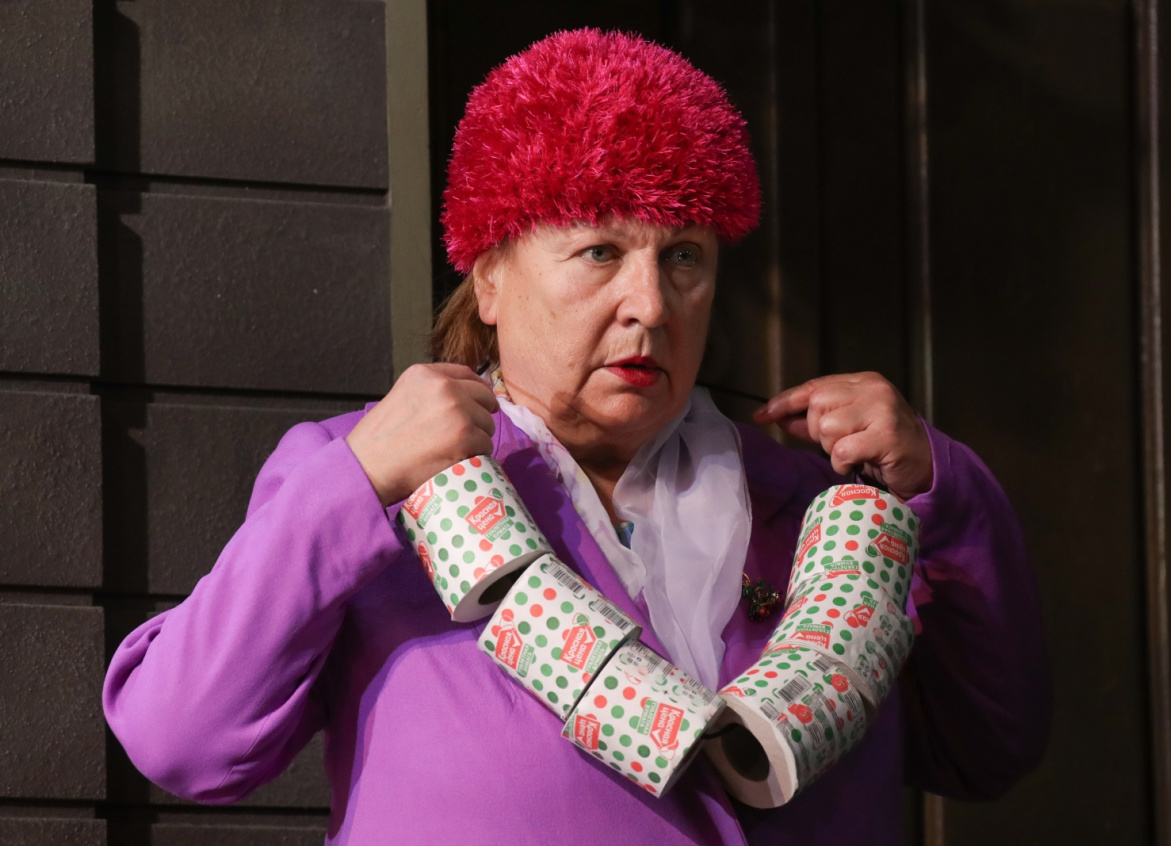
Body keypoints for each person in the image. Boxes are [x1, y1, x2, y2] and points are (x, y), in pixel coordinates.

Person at [103, 28, 1050, 845]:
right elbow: (182, 741)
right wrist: (349, 488)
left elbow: (988, 748)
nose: (650, 306)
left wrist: (948, 493)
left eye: (684, 257)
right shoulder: (368, 482)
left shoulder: (817, 505)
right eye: (600, 251)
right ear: (490, 278)